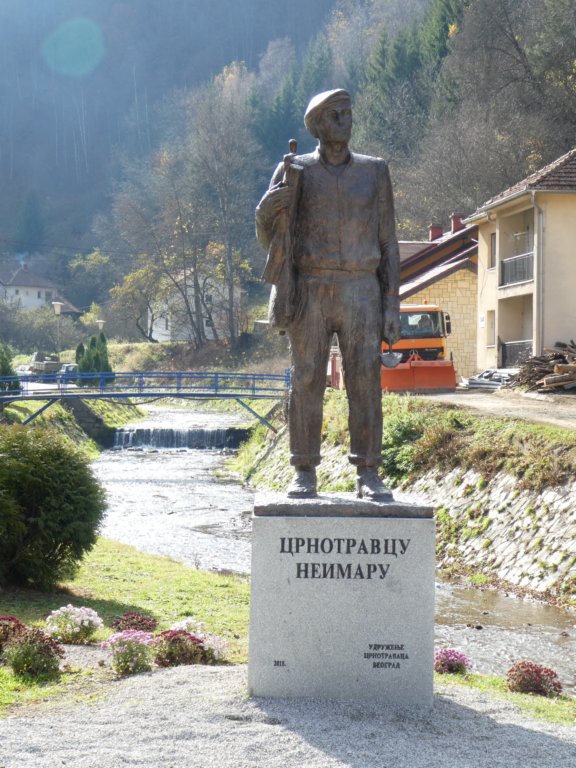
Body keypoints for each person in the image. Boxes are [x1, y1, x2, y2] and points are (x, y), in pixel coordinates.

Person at [255, 89, 401, 499]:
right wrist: (266, 211)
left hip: (361, 289)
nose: (344, 120)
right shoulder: (294, 170)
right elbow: (271, 241)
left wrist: (392, 303)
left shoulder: (374, 171)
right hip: (310, 289)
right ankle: (303, 469)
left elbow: (389, 242)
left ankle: (368, 471)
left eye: (347, 113)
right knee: (306, 380)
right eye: (335, 114)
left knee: (365, 381)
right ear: (316, 125)